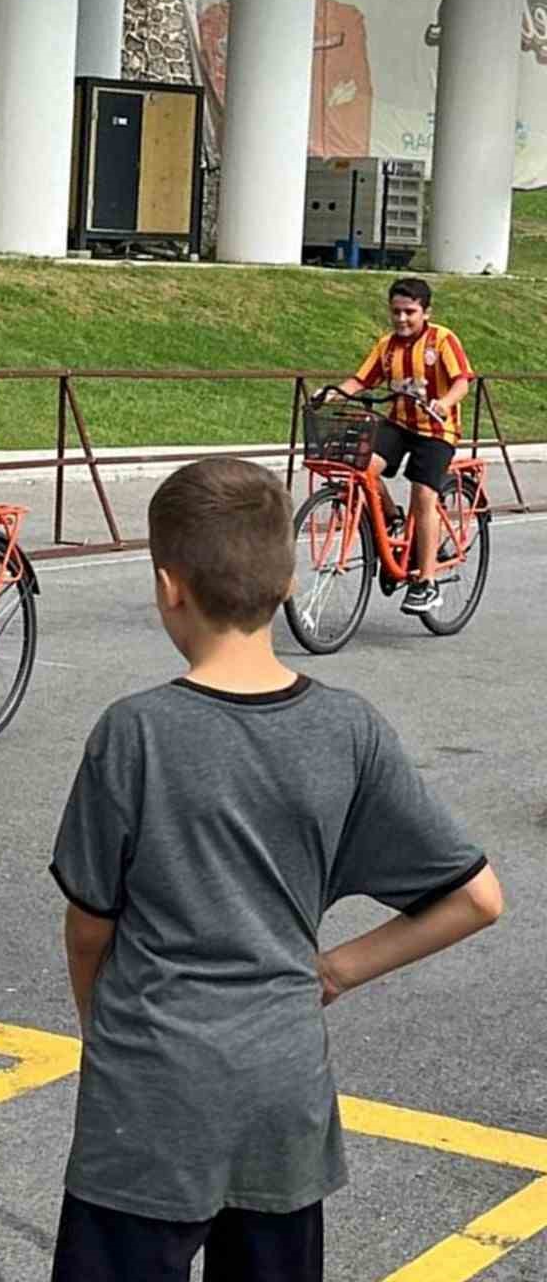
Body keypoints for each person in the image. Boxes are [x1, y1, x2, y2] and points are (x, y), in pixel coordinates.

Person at [50, 457, 502, 1282]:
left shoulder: (134, 733)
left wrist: (100, 1026)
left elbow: (90, 929)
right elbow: (476, 898)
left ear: (168, 586)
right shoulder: (348, 729)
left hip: (150, 1093)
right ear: (290, 579)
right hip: (282, 1085)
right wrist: (333, 968)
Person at [329, 275, 473, 614]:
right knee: (361, 464)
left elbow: (462, 382)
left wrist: (445, 402)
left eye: (409, 311)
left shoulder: (442, 340)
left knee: (423, 494)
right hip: (399, 424)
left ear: (426, 311)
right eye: (396, 311)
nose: (402, 319)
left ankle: (427, 581)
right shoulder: (387, 345)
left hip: (436, 430)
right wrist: (332, 393)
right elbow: (361, 379)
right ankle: (393, 519)